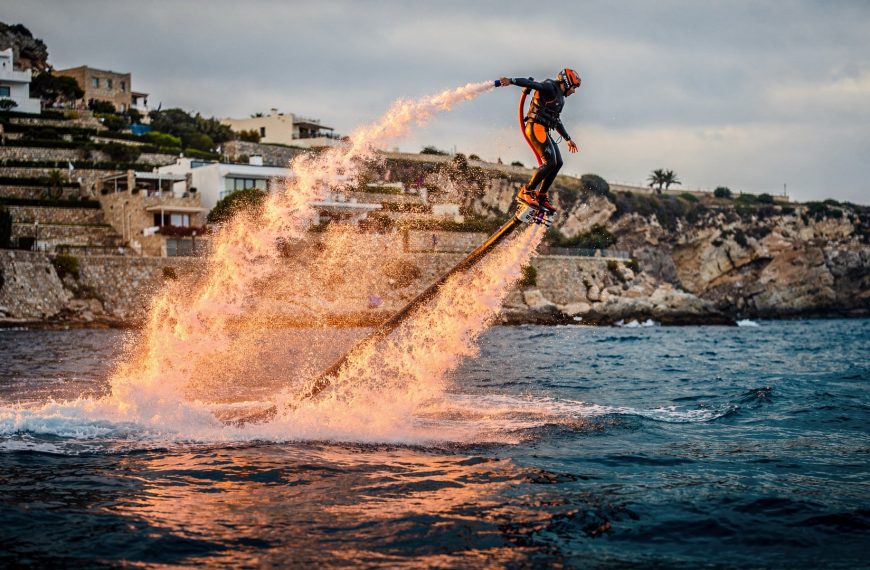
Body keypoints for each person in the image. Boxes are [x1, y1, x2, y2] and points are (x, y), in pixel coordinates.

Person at [497, 68, 581, 213]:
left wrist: (568, 139)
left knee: (558, 163)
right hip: (535, 127)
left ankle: (541, 196)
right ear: (566, 83)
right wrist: (511, 81)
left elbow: (555, 120)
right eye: (573, 87)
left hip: (544, 129)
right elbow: (533, 84)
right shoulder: (550, 86)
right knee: (550, 162)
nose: (574, 91)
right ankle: (526, 191)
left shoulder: (560, 98)